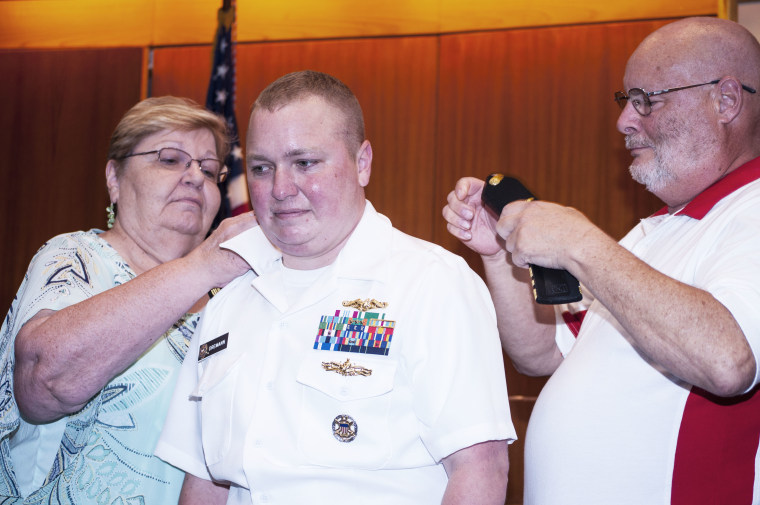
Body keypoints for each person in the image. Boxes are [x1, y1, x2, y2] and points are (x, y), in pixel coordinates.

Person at [155, 70, 515, 505]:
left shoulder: (431, 283)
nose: (281, 189)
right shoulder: (228, 300)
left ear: (362, 163)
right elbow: (204, 481)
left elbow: (480, 469)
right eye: (262, 168)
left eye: (305, 163)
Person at [444, 16, 760, 505]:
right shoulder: (653, 233)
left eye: (646, 100)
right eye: (625, 101)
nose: (624, 121)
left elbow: (728, 361)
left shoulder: (751, 209)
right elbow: (544, 354)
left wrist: (581, 243)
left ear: (725, 100)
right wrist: (499, 253)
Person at [0, 96, 257, 503]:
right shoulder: (75, 258)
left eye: (209, 170)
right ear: (114, 179)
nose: (194, 177)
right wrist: (201, 266)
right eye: (170, 159)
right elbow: (41, 382)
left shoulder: (233, 301)